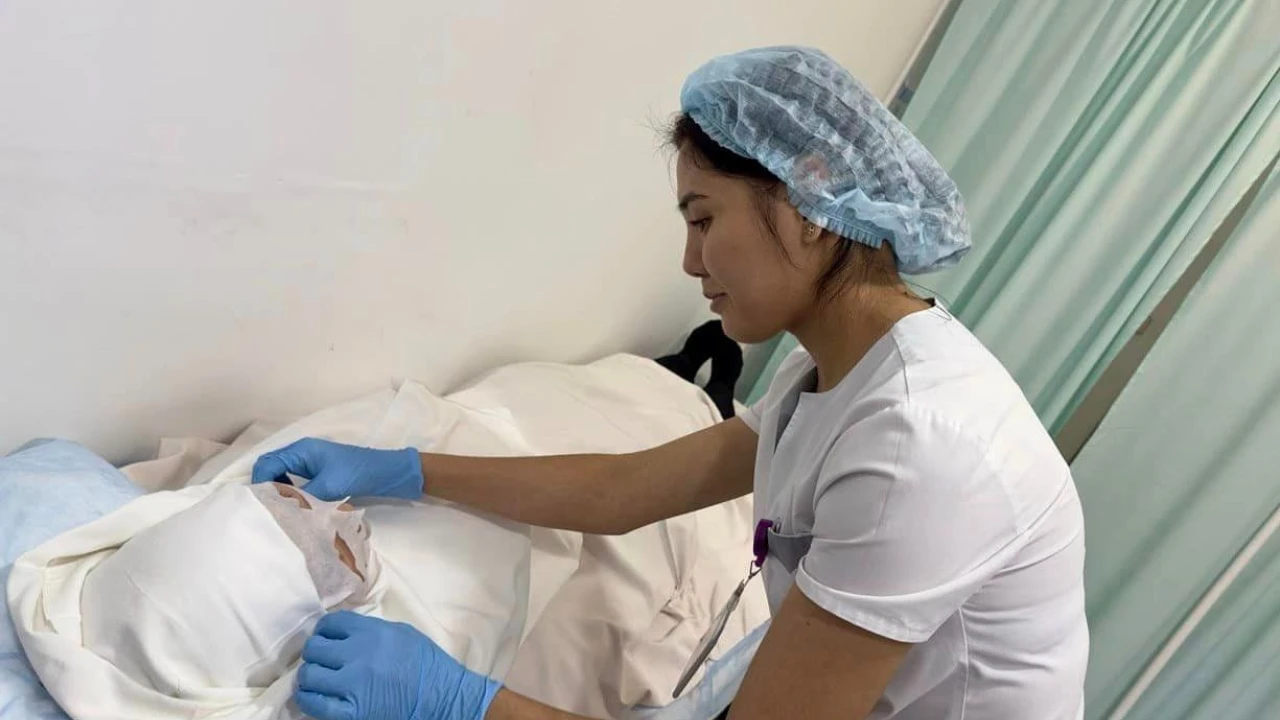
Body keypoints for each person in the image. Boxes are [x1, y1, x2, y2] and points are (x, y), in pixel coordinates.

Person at [253, 46, 1088, 720]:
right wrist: (410, 469)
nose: (691, 261)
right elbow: (625, 489)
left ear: (808, 198)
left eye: (703, 218)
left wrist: (462, 702)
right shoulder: (829, 372)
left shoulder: (926, 443)